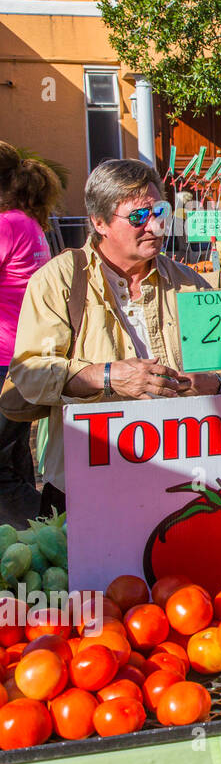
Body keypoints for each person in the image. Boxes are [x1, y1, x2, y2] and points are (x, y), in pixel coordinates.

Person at [8, 159, 221, 514]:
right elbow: (30, 372)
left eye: (160, 211)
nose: (155, 226)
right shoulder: (59, 280)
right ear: (99, 222)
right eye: (138, 217)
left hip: (179, 478)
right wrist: (107, 377)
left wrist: (211, 382)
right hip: (86, 481)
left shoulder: (189, 283)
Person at [0, 143, 57, 522]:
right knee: (14, 462)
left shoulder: (7, 224)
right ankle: (31, 545)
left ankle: (56, 529)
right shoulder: (26, 221)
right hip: (18, 361)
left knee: (4, 472)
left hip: (5, 360)